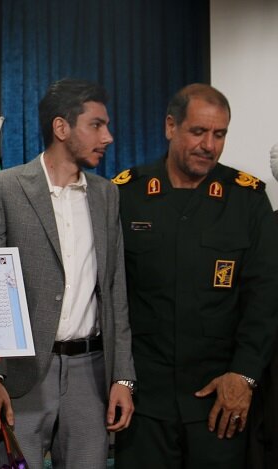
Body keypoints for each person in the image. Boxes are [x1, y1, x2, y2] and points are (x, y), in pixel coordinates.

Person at [0, 78, 136, 469]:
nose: (108, 137)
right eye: (96, 125)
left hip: (91, 374)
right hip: (22, 376)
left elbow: (115, 291)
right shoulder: (3, 189)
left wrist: (123, 378)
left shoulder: (106, 194)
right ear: (61, 127)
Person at [113, 83, 278, 468]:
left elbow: (265, 297)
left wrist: (244, 375)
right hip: (144, 401)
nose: (209, 145)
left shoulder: (247, 199)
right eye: (199, 132)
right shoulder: (127, 194)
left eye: (219, 134)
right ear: (171, 126)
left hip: (220, 400)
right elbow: (110, 294)